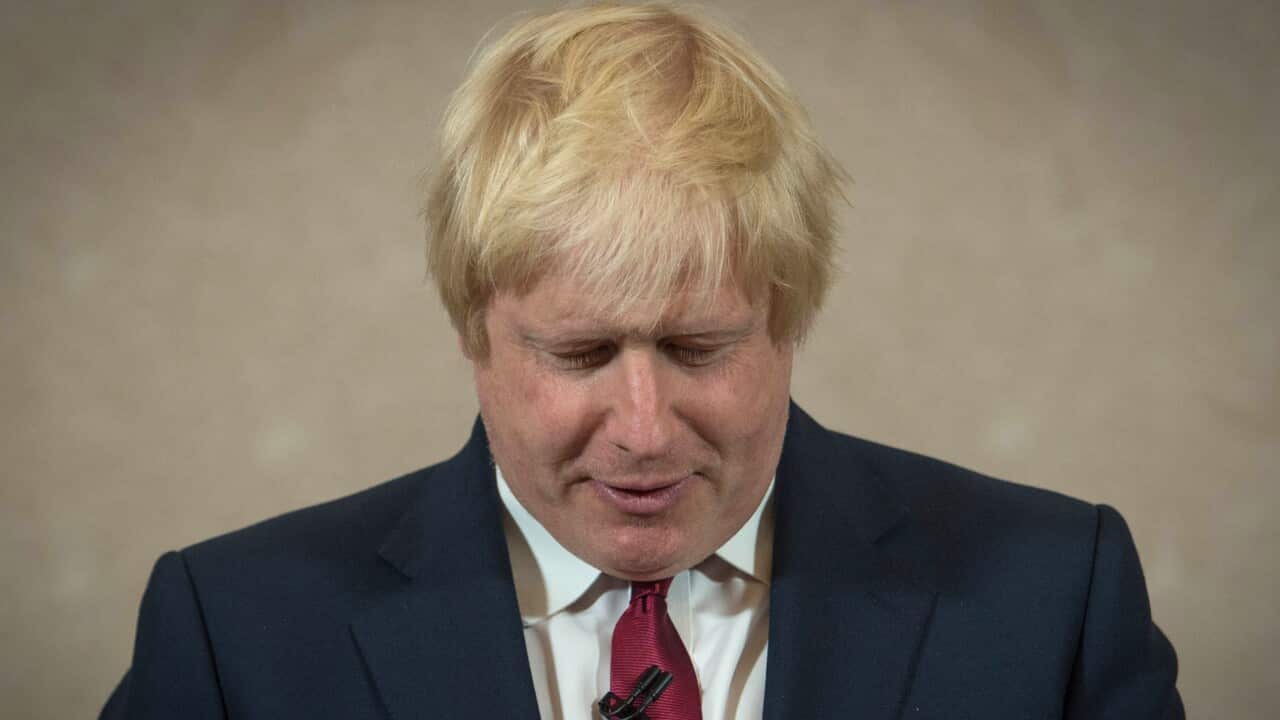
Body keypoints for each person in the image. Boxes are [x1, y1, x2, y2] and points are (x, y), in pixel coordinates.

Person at [101, 3, 1183, 718]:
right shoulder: (231, 633)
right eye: (576, 352)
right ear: (473, 332)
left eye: (697, 347)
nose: (643, 428)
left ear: (789, 318)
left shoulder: (1054, 598)